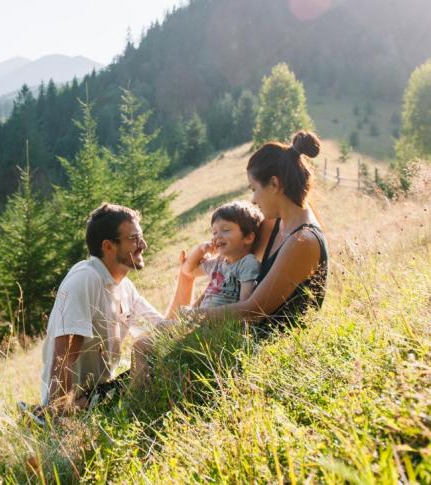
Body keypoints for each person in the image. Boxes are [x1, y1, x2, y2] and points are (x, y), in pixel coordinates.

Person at [20, 203, 164, 424]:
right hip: (74, 400)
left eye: (141, 237)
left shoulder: (124, 287)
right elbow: (64, 356)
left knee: (159, 360)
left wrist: (187, 277)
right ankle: (47, 415)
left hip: (98, 394)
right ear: (108, 246)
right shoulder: (85, 279)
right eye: (134, 239)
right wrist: (62, 414)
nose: (142, 244)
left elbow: (163, 329)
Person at [177, 131, 328, 331]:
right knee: (147, 343)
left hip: (267, 345)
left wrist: (193, 315)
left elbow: (254, 311)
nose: (254, 200)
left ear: (274, 184)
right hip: (240, 331)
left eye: (254, 189)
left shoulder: (303, 240)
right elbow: (228, 270)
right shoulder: (273, 224)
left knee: (145, 347)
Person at [181, 201, 263, 308]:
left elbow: (244, 307)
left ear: (248, 238)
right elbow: (188, 271)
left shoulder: (247, 263)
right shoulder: (217, 263)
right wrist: (201, 249)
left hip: (218, 321)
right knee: (162, 324)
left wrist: (203, 316)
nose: (217, 236)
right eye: (214, 232)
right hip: (199, 319)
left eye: (225, 230)